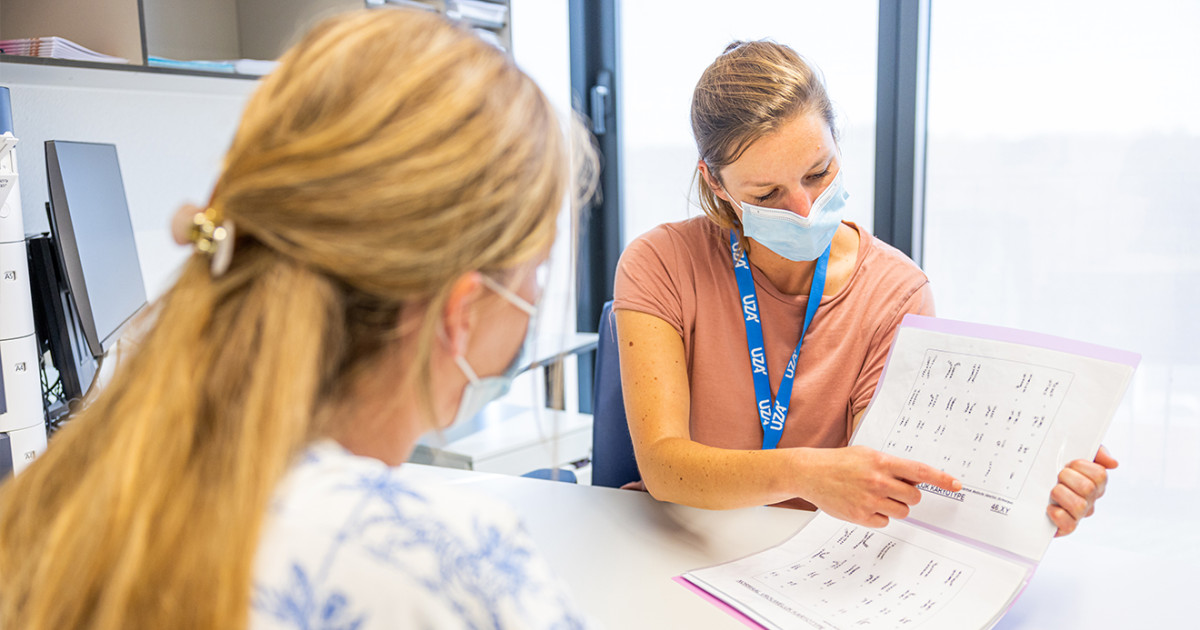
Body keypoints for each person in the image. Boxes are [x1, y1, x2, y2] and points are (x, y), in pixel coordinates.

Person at [0, 9, 597, 630]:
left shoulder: (62, 495)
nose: (536, 296)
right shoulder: (451, 568)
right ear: (462, 310)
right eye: (537, 271)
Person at [613, 40, 1114, 533]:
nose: (805, 210)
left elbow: (895, 483)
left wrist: (1032, 493)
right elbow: (663, 466)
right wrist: (804, 472)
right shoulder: (661, 263)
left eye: (818, 172)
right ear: (716, 183)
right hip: (682, 540)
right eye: (767, 193)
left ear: (838, 145)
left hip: (812, 563)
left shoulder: (895, 293)